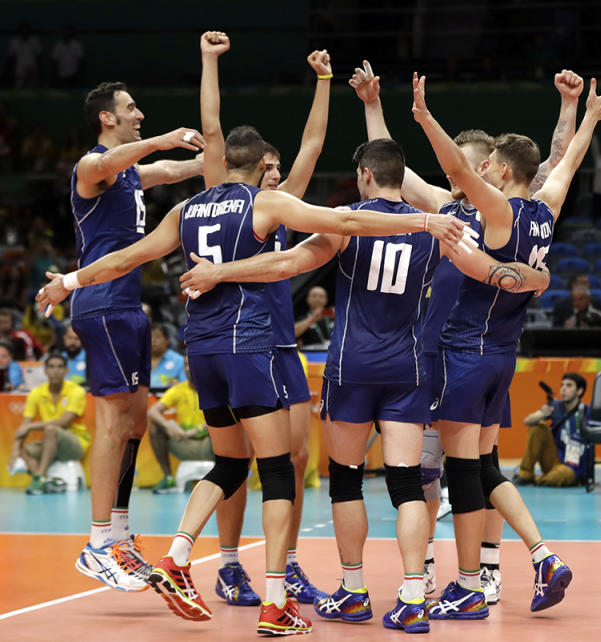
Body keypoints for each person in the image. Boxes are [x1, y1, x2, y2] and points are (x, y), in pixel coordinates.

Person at [39, 124, 471, 634]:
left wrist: (71, 280)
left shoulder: (191, 211)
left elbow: (137, 258)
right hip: (345, 359)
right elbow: (357, 226)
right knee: (349, 478)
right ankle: (352, 599)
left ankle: (204, 562)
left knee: (256, 466)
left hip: (250, 355)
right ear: (257, 166)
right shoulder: (279, 206)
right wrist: (435, 223)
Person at [175, 135, 548, 633]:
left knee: (347, 477)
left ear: (366, 175)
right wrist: (535, 278)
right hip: (409, 370)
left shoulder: (348, 224)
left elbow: (286, 265)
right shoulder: (433, 232)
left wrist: (221, 273)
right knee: (407, 484)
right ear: (401, 176)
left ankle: (353, 592)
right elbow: (488, 270)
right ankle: (414, 595)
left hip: (351, 369)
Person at [347, 59, 583, 606]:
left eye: (470, 168)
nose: (459, 176)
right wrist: (372, 105)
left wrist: (570, 110)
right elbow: (392, 171)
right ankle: (431, 568)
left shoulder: (496, 213)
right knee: (443, 470)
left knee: (472, 466)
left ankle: (483, 575)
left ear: (490, 171)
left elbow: (552, 166)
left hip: (464, 353)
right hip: (438, 352)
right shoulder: (446, 208)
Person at [412, 72, 601, 618]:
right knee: (485, 469)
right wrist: (582, 113)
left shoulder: (499, 213)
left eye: (491, 166)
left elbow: (457, 169)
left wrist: (424, 117)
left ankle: (466, 589)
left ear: (503, 170)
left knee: (463, 475)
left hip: (465, 352)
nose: (482, 173)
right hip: (504, 355)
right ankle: (542, 555)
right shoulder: (547, 209)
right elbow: (569, 160)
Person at [197, 31, 333, 606]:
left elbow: (314, 142)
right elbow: (211, 132)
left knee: (296, 459)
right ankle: (229, 566)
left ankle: (289, 563)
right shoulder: (225, 199)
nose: (277, 172)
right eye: (269, 166)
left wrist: (325, 82)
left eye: (279, 166)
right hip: (233, 341)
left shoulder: (280, 209)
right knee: (236, 460)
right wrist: (209, 64)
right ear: (250, 170)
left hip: (280, 346)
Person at [66, 80, 206, 592]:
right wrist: (164, 138)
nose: (139, 113)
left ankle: (119, 533)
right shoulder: (91, 167)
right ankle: (97, 544)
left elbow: (164, 171)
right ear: (108, 119)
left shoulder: (127, 176)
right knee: (112, 420)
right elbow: (131, 160)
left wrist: (205, 163)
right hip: (101, 302)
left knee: (135, 420)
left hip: (126, 305)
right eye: (130, 108)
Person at [9, 353, 90, 494]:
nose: (55, 371)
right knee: (22, 446)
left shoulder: (76, 391)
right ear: (45, 370)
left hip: (75, 442)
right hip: (49, 442)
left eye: (60, 367)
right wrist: (15, 450)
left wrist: (30, 426)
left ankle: (39, 477)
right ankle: (44, 480)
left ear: (66, 370)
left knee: (51, 429)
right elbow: (24, 425)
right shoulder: (36, 393)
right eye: (51, 367)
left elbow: (64, 422)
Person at [147, 356, 212, 494]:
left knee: (224, 426)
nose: (189, 368)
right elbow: (153, 411)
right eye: (186, 365)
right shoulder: (178, 389)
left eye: (192, 364)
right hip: (185, 443)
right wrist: (167, 426)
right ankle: (169, 478)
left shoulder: (215, 387)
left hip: (210, 444)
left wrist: (196, 430)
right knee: (155, 426)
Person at [515, 373, 592, 486]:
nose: (563, 389)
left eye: (569, 385)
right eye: (562, 385)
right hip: (553, 460)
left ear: (579, 391)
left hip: (573, 467)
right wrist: (542, 415)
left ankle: (539, 480)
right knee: (538, 426)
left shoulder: (588, 411)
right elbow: (527, 421)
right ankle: (526, 474)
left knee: (564, 474)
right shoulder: (554, 406)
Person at [149, 325, 185, 390]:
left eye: (157, 337)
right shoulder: (139, 361)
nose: (153, 340)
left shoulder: (179, 360)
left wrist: (179, 385)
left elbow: (187, 386)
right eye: (149, 337)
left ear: (167, 340)